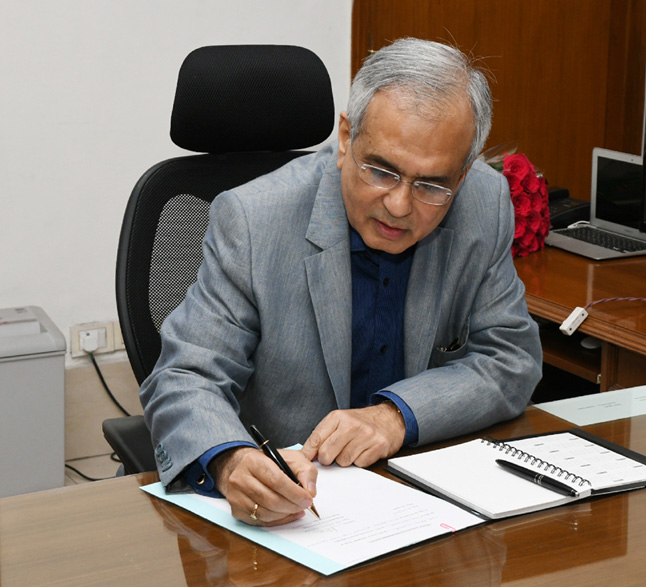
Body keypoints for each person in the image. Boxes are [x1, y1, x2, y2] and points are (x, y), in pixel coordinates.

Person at [140, 37, 542, 527]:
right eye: (382, 171)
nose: (399, 205)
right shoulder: (253, 219)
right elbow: (186, 377)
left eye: (432, 184)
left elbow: (510, 359)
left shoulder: (483, 202)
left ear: (461, 176)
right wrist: (230, 462)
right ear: (347, 139)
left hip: (424, 502)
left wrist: (396, 417)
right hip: (293, 512)